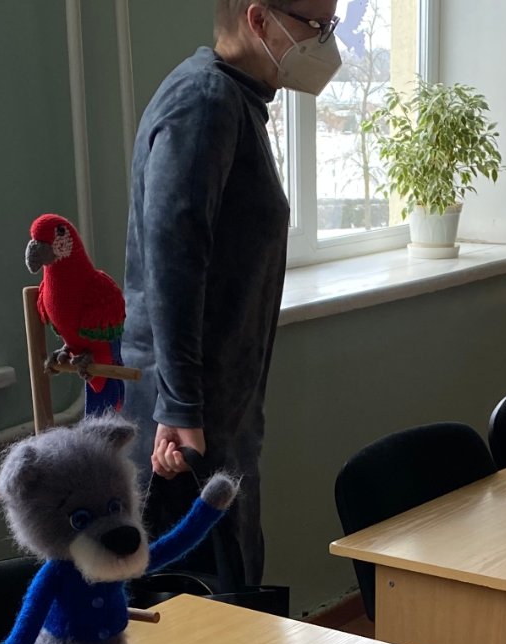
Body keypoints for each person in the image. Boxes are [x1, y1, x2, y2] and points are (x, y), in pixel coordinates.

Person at [120, 0, 341, 591]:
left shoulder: (236, 101)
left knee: (234, 581)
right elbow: (173, 261)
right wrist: (180, 410)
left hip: (220, 409)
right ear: (258, 20)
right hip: (187, 425)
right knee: (201, 601)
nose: (326, 44)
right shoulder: (204, 102)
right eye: (316, 27)